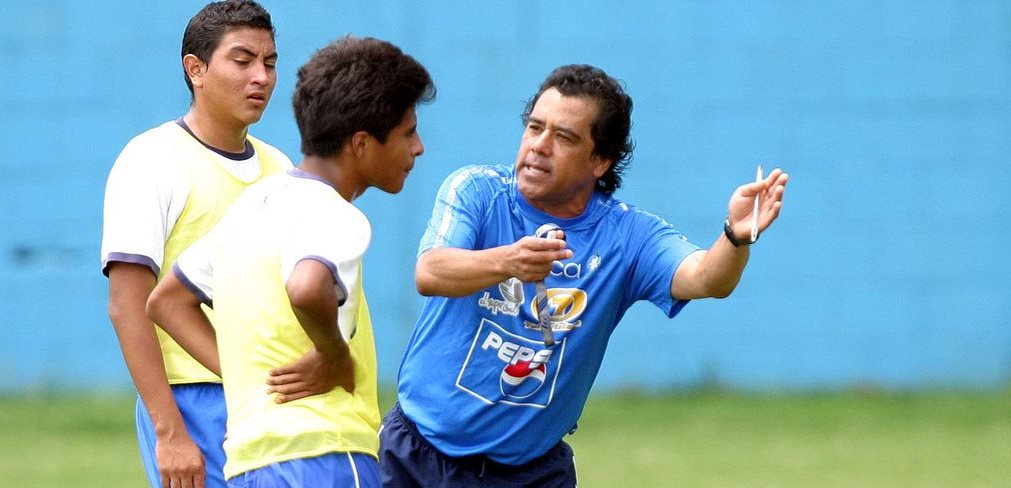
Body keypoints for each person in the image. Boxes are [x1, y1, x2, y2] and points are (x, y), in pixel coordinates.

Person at [379, 64, 789, 487]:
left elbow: (707, 278)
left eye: (564, 137)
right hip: (417, 458)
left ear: (599, 161)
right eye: (535, 127)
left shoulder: (629, 236)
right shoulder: (476, 190)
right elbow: (430, 271)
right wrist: (510, 261)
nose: (539, 146)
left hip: (531, 474)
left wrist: (734, 236)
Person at [145, 35, 436, 487]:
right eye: (408, 133)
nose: (417, 148)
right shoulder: (337, 213)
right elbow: (307, 286)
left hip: (249, 464)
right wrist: (334, 355)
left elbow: (165, 301)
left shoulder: (252, 205)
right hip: (328, 455)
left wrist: (248, 378)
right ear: (361, 144)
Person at [100, 2, 297, 487]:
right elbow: (128, 305)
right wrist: (170, 432)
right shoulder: (151, 160)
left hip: (269, 400)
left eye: (270, 63)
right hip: (191, 400)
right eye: (243, 60)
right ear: (196, 69)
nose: (262, 77)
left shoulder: (282, 168)